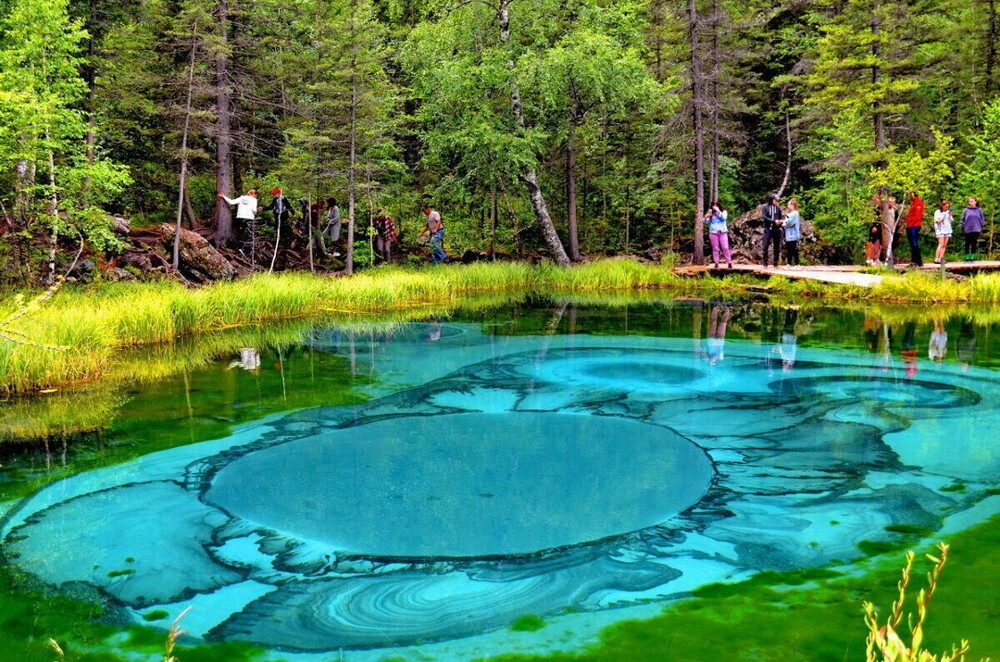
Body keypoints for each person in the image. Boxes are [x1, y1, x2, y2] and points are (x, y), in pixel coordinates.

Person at [705, 202, 732, 269]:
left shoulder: (724, 212)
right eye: (713, 206)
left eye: (715, 206)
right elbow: (706, 222)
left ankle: (729, 262)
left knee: (725, 247)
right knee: (715, 248)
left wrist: (718, 211)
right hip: (713, 232)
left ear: (719, 206)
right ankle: (716, 262)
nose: (714, 207)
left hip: (722, 232)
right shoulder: (711, 212)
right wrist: (706, 217)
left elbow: (724, 218)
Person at [761, 194, 783, 267]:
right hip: (768, 228)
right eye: (775, 200)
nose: (777, 201)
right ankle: (765, 262)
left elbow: (780, 217)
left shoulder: (778, 208)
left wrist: (780, 222)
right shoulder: (765, 207)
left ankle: (776, 263)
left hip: (776, 229)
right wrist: (773, 221)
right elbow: (765, 217)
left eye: (777, 200)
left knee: (777, 246)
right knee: (765, 245)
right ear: (771, 200)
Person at [961, 196, 985, 262]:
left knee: (974, 243)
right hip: (967, 229)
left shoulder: (979, 210)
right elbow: (962, 219)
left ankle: (972, 258)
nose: (970, 202)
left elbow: (982, 219)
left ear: (975, 202)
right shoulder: (966, 210)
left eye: (972, 201)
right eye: (969, 201)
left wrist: (981, 226)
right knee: (967, 243)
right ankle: (966, 258)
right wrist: (963, 226)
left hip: (976, 229)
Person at [904, 190, 925, 267]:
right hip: (911, 225)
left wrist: (911, 225)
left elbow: (917, 216)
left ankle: (918, 261)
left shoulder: (918, 203)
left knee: (914, 243)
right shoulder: (913, 204)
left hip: (914, 225)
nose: (909, 197)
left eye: (910, 195)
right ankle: (915, 261)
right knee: (912, 244)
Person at [932, 199, 953, 264]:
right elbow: (937, 221)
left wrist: (949, 214)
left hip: (947, 229)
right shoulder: (937, 212)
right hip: (940, 229)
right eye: (946, 206)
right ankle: (936, 258)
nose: (947, 208)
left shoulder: (947, 212)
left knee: (944, 245)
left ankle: (941, 258)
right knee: (940, 244)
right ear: (942, 206)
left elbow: (951, 220)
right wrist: (943, 217)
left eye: (948, 207)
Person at [783, 198, 801, 267]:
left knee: (794, 249)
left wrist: (785, 223)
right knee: (788, 249)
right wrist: (784, 222)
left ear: (792, 205)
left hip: (793, 234)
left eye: (788, 204)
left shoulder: (795, 213)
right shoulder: (789, 213)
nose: (788, 206)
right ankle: (789, 263)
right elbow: (786, 221)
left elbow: (792, 223)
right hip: (788, 234)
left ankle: (797, 263)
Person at [866, 196, 883, 266]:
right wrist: (874, 226)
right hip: (875, 226)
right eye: (874, 198)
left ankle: (876, 259)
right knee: (871, 243)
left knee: (878, 243)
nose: (875, 200)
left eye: (876, 198)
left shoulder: (881, 208)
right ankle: (869, 259)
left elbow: (880, 218)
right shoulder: (874, 208)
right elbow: (873, 218)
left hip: (880, 226)